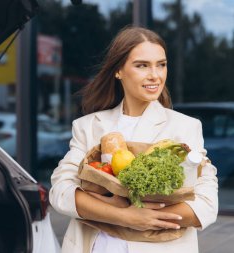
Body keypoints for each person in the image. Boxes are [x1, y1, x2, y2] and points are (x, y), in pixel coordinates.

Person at [49, 26, 218, 253]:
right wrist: (124, 217)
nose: (155, 75)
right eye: (142, 65)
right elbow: (61, 191)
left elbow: (206, 203)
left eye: (161, 64)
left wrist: (105, 204)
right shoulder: (88, 126)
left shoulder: (185, 127)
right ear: (119, 70)